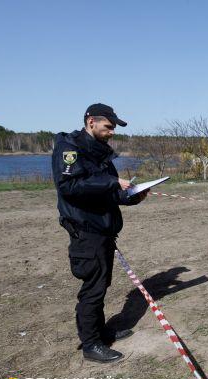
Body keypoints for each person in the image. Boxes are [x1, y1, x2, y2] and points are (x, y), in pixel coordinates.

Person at [52, 103, 148, 363]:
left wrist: (133, 197)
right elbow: (69, 186)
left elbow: (112, 192)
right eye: (108, 127)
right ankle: (91, 344)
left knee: (102, 284)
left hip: (104, 229)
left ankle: (101, 331)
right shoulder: (70, 148)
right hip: (86, 230)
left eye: (113, 128)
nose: (112, 132)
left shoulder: (101, 152)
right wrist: (112, 182)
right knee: (93, 287)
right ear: (90, 121)